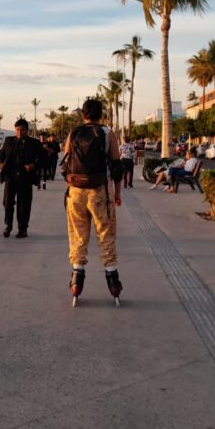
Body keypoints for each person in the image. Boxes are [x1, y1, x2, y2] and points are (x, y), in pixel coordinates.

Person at [62, 99, 125, 307]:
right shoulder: (107, 133)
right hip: (99, 191)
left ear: (83, 114)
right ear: (101, 114)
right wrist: (117, 193)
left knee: (78, 234)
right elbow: (116, 166)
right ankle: (112, 279)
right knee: (106, 233)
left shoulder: (74, 133)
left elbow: (65, 164)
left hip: (76, 192)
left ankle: (76, 279)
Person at [0, 119, 43, 238]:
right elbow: (1, 156)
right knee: (7, 202)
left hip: (25, 178)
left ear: (27, 130)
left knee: (24, 204)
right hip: (10, 177)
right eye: (17, 129)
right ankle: (8, 225)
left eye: (22, 130)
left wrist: (33, 166)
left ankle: (23, 229)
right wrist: (0, 164)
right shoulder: (9, 141)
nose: (19, 132)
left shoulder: (35, 143)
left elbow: (43, 160)